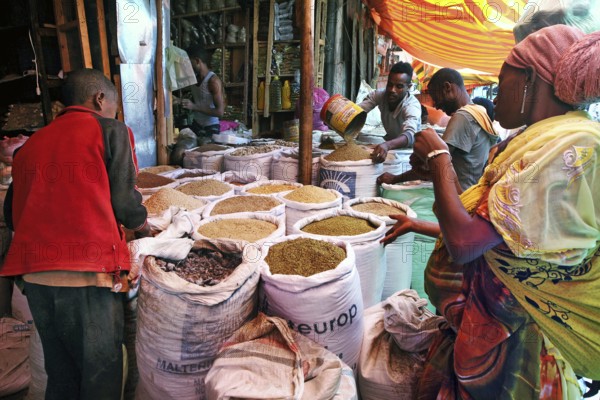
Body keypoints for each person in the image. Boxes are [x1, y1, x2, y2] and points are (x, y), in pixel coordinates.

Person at [383, 25, 600, 399]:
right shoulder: (535, 139)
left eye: (503, 81)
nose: (495, 96)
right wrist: (417, 223)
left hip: (523, 342)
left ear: (531, 79)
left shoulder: (569, 146)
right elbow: (503, 236)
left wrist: (438, 159)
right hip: (487, 329)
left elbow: (468, 243)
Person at [1, 68, 150, 399]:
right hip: (87, 276)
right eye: (112, 105)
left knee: (62, 374)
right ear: (100, 99)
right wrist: (145, 228)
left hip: (36, 281)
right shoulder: (112, 131)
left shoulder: (29, 147)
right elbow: (126, 203)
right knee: (100, 374)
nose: (114, 112)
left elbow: (11, 216)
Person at [377, 68, 499, 191]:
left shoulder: (463, 117)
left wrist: (395, 179)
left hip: (460, 197)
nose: (436, 105)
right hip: (471, 191)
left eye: (435, 98)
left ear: (447, 88)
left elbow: (434, 162)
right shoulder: (479, 112)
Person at [358, 61, 421, 163]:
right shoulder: (380, 95)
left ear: (408, 87)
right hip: (389, 145)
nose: (392, 90)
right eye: (390, 85)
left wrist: (387, 145)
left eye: (399, 86)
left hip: (408, 152)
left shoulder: (411, 106)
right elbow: (358, 111)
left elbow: (410, 134)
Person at [181, 46, 224, 138]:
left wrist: (194, 106)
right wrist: (180, 101)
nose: (187, 67)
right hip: (196, 125)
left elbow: (220, 112)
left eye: (188, 64)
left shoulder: (213, 81)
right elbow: (200, 99)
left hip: (211, 127)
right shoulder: (194, 79)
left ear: (197, 61)